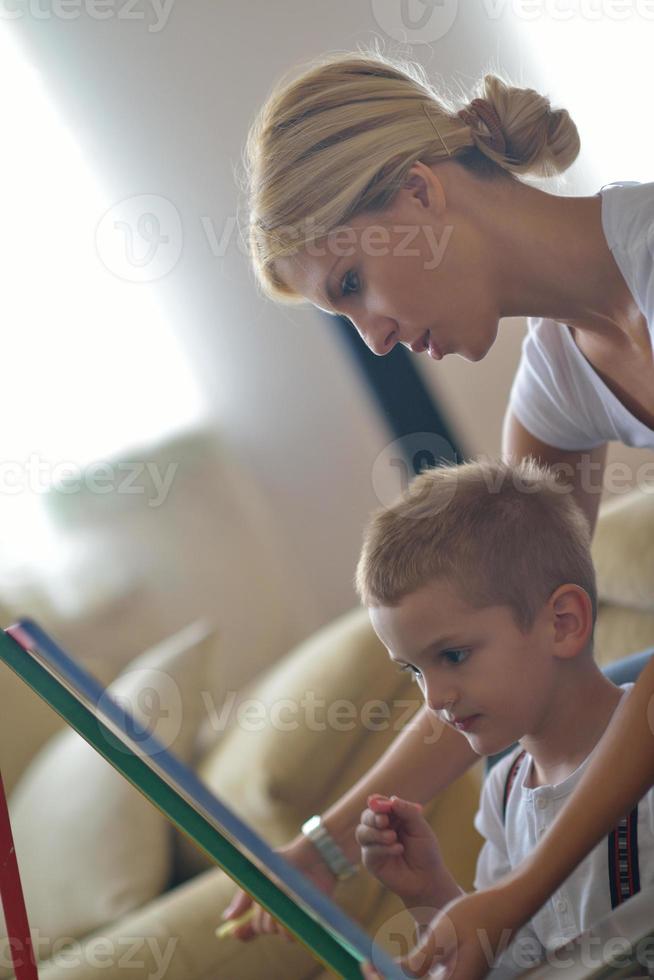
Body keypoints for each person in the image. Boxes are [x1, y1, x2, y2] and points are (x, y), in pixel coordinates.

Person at [221, 46, 654, 971]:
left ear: (419, 194)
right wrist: (323, 853)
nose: (375, 339)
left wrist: (508, 900)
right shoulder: (561, 378)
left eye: (352, 286)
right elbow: (496, 634)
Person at [350, 457, 654, 978]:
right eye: (414, 671)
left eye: (453, 656)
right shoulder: (505, 792)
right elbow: (516, 963)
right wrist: (430, 892)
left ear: (563, 623)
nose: (434, 698)